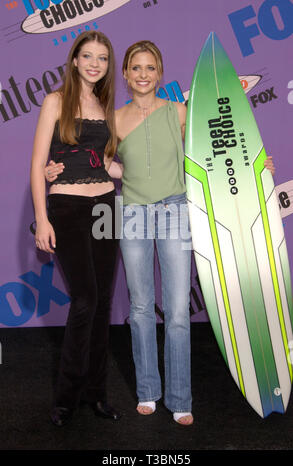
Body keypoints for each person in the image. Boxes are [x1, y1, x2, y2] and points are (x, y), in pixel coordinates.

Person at [45, 40, 276, 426]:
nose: (143, 74)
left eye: (151, 68)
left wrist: (254, 163)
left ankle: (180, 398)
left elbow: (214, 151)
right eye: (136, 67)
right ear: (125, 73)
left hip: (174, 211)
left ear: (161, 73)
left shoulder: (180, 112)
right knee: (139, 311)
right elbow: (101, 165)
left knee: (178, 313)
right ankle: (148, 392)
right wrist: (56, 171)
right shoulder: (113, 119)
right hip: (132, 214)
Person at [30, 31, 121, 427]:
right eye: (87, 56)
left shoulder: (105, 106)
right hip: (66, 207)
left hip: (106, 206)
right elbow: (37, 166)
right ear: (74, 60)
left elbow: (108, 164)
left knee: (101, 303)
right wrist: (43, 218)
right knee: (84, 299)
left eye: (101, 58)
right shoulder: (54, 101)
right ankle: (66, 398)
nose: (94, 63)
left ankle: (96, 395)